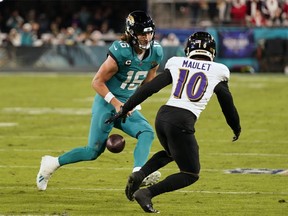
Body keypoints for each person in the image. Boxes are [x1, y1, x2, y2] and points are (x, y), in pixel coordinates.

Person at [106, 32, 241, 213]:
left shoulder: (178, 63)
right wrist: (236, 127)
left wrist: (125, 108)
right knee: (191, 173)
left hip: (162, 117)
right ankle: (147, 193)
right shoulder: (219, 70)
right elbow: (227, 104)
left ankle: (139, 175)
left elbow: (150, 88)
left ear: (188, 49)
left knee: (171, 153)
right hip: (182, 121)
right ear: (212, 51)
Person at [36, 10, 163, 191]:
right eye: (143, 33)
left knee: (147, 132)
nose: (147, 37)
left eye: (150, 32)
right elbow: (97, 82)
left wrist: (133, 101)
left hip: (126, 105)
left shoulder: (156, 51)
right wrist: (117, 103)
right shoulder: (121, 52)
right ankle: (51, 163)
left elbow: (148, 82)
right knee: (93, 151)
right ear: (132, 33)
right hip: (107, 103)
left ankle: (139, 174)